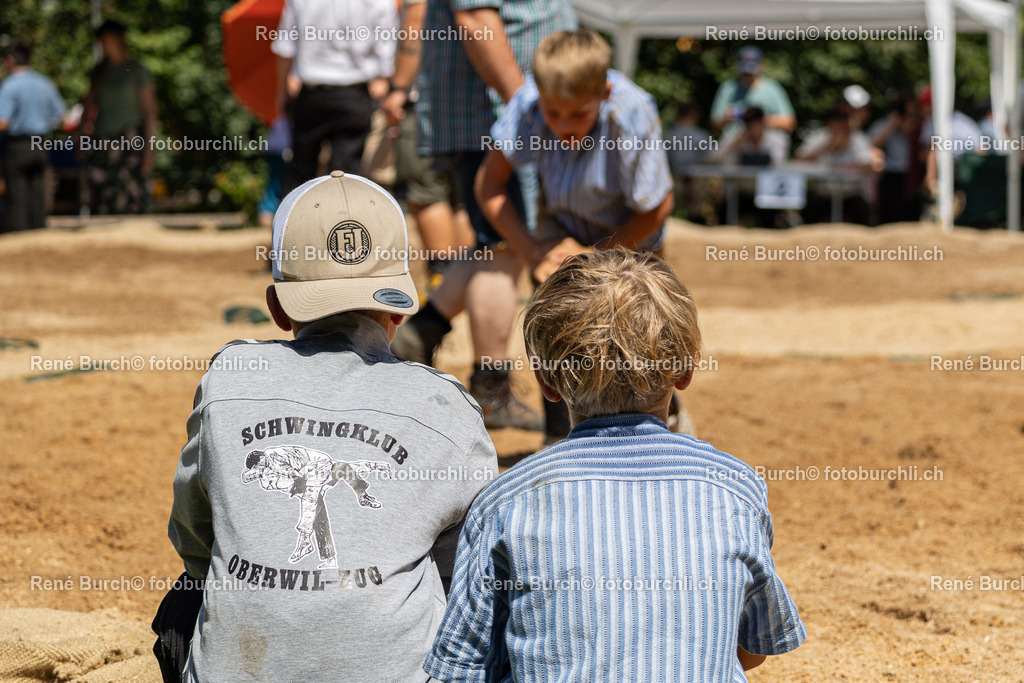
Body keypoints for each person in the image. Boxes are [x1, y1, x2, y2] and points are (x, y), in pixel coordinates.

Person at [157, 170, 498, 682]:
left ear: (277, 307)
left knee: (186, 600)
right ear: (399, 311)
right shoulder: (446, 406)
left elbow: (195, 537)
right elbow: (479, 573)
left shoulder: (228, 378)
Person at [424, 248, 807, 682]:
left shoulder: (505, 501)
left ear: (546, 381)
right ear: (685, 372)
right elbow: (754, 647)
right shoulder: (734, 487)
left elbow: (466, 668)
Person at [390, 0, 576, 431]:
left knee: (495, 245)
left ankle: (421, 335)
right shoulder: (525, 112)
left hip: (494, 112)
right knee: (504, 249)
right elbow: (475, 17)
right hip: (493, 112)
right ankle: (495, 392)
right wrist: (529, 109)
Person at [381, 0, 474, 287]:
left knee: (426, 192)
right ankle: (466, 280)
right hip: (468, 102)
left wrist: (397, 88)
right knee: (461, 198)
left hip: (425, 104)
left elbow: (417, 20)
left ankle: (442, 280)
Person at [272, 0, 397, 195]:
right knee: (345, 176)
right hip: (354, 94)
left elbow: (285, 47)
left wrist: (282, 91)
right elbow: (387, 46)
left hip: (310, 94)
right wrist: (383, 78)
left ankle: (291, 223)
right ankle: (340, 222)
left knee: (301, 170)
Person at [79, 20, 157, 215]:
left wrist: (149, 149)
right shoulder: (99, 72)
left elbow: (150, 112)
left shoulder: (137, 70)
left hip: (130, 140)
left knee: (130, 195)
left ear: (118, 39)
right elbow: (87, 107)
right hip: (102, 141)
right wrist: (80, 138)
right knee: (103, 195)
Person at [0, 42, 65, 232]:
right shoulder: (45, 83)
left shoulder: (10, 86)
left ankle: (21, 239)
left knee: (18, 194)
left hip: (17, 145)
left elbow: (3, 122)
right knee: (38, 192)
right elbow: (62, 117)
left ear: (10, 61)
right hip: (40, 143)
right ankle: (40, 234)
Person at [795, 105, 874, 224]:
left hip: (850, 196)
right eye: (837, 121)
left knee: (862, 211)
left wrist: (837, 167)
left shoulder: (858, 138)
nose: (841, 125)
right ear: (829, 123)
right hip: (823, 196)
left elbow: (867, 165)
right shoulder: (820, 136)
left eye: (844, 121)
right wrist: (827, 146)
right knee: (809, 211)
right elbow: (799, 160)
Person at [710, 46, 796, 135]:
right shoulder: (728, 88)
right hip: (736, 137)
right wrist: (726, 118)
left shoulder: (773, 89)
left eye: (751, 70)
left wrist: (757, 120)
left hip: (765, 139)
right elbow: (715, 123)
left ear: (762, 65)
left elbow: (790, 122)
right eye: (745, 71)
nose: (747, 74)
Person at [869, 96, 920, 223]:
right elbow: (874, 144)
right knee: (890, 213)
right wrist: (892, 125)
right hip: (890, 174)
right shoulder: (882, 124)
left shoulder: (916, 125)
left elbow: (919, 143)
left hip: (910, 173)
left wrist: (905, 128)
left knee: (910, 214)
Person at [664, 102, 714, 223]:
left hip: (676, 178)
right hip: (695, 178)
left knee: (671, 211)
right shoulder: (701, 135)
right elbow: (710, 157)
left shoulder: (669, 135)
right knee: (696, 212)